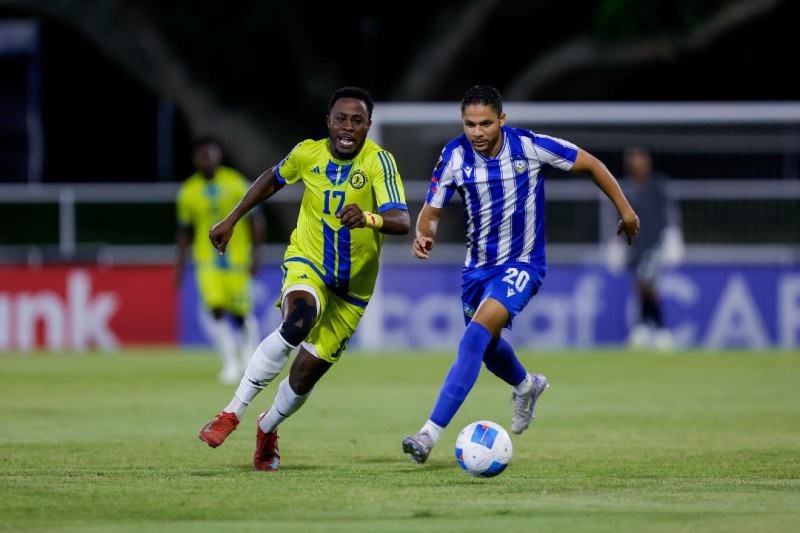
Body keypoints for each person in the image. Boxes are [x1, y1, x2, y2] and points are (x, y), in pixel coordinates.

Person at [401, 85, 640, 464]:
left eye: (485, 123)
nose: (477, 132)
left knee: (473, 338)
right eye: (469, 124)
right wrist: (424, 235)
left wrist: (625, 211)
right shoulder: (454, 155)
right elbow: (432, 210)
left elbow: (592, 164)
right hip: (476, 270)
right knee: (487, 348)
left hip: (523, 264)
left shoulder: (529, 146)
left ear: (502, 120)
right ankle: (527, 386)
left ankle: (428, 435)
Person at [198, 86, 410, 471]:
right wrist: (232, 218)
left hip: (352, 290)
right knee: (297, 323)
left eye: (357, 121)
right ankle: (231, 412)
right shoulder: (307, 153)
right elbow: (273, 178)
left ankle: (267, 427)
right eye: (341, 119)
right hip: (308, 262)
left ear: (368, 126)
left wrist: (369, 218)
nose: (348, 127)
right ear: (328, 122)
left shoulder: (379, 162)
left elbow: (402, 220)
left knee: (302, 379)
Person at [175, 136, 266, 385]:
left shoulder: (235, 182)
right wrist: (179, 266)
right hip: (207, 260)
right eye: (202, 155)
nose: (207, 159)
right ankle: (230, 363)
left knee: (240, 312)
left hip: (238, 260)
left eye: (211, 154)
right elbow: (184, 231)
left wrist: (256, 253)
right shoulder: (188, 191)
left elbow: (257, 219)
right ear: (195, 159)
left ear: (219, 156)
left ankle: (249, 358)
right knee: (214, 309)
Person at [614, 146, 684, 350]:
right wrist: (617, 242)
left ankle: (660, 330)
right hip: (634, 244)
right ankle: (644, 328)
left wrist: (673, 235)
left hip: (655, 243)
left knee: (646, 283)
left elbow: (670, 212)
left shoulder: (657, 186)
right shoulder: (625, 189)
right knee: (640, 286)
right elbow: (618, 215)